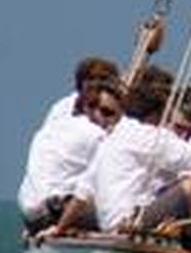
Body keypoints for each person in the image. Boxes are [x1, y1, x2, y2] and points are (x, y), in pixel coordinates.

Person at [50, 67, 191, 245]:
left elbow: (82, 194)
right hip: (130, 223)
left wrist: (59, 229)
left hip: (110, 224)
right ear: (158, 112)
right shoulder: (149, 136)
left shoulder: (114, 136)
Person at [17, 86, 120, 234]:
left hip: (30, 217)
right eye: (107, 113)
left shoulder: (48, 129)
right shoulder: (96, 134)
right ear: (88, 108)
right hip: (56, 213)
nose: (110, 120)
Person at [39, 57, 120, 129]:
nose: (96, 83)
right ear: (80, 84)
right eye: (91, 78)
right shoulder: (63, 107)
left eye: (103, 78)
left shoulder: (120, 107)